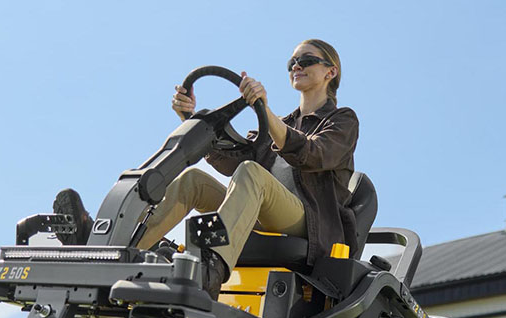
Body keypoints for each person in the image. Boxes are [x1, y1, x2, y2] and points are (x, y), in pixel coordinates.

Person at [53, 39, 359, 299]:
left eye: (306, 60)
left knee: (253, 173)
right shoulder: (280, 124)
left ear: (330, 72)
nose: (296, 66)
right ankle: (113, 250)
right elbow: (232, 162)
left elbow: (312, 154)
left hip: (308, 223)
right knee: (193, 180)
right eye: (292, 61)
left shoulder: (342, 120)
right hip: (259, 211)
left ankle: (210, 270)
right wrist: (191, 119)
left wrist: (265, 110)